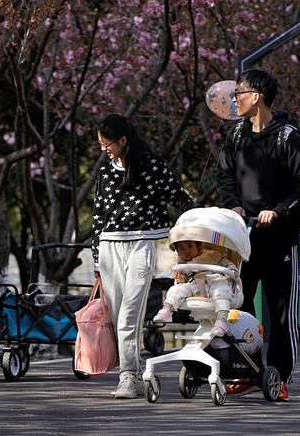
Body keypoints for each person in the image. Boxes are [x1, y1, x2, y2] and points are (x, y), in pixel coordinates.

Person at [216, 69, 300, 401]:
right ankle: (246, 370)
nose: (235, 100)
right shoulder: (235, 135)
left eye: (239, 94)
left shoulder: (288, 138)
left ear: (256, 96)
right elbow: (225, 177)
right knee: (238, 308)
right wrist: (232, 206)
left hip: (280, 240)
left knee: (280, 313)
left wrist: (279, 210)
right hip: (243, 240)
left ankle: (279, 375)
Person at [91, 114, 193, 399]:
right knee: (116, 317)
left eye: (106, 144)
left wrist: (193, 229)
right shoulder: (106, 172)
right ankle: (132, 376)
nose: (104, 149)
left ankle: (126, 377)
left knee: (128, 316)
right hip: (110, 246)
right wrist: (96, 259)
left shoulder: (153, 167)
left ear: (123, 140)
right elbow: (98, 217)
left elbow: (181, 199)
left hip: (144, 244)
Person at [152, 239, 240, 336]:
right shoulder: (183, 266)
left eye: (190, 246)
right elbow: (182, 281)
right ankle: (167, 309)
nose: (187, 251)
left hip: (214, 282)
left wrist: (232, 271)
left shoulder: (212, 256)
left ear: (197, 246)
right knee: (176, 289)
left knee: (222, 289)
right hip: (194, 288)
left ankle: (221, 321)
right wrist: (181, 279)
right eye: (181, 248)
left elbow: (228, 265)